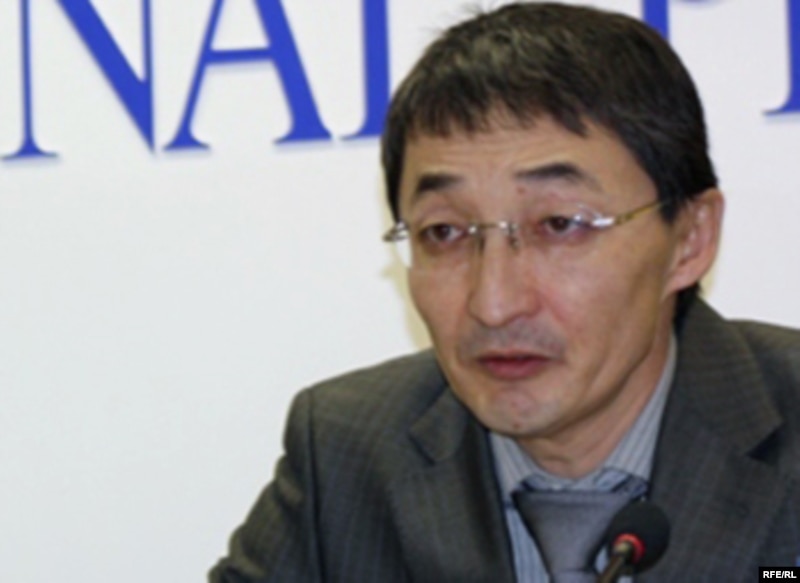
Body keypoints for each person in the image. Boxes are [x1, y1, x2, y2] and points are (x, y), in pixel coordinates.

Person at [209, 3, 800, 582]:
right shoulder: (344, 454)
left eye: (560, 224)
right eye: (445, 232)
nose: (493, 304)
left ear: (689, 240)